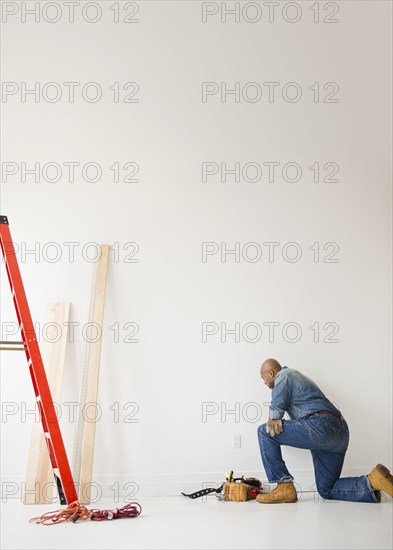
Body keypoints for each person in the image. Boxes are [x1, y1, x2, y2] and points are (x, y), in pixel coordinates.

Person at [256, 358, 393, 504]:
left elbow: (274, 417)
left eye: (263, 379)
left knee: (264, 432)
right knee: (326, 489)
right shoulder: (296, 376)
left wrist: (272, 419)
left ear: (271, 373)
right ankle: (373, 482)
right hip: (339, 433)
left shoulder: (284, 376)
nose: (264, 383)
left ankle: (283, 486)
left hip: (321, 425)